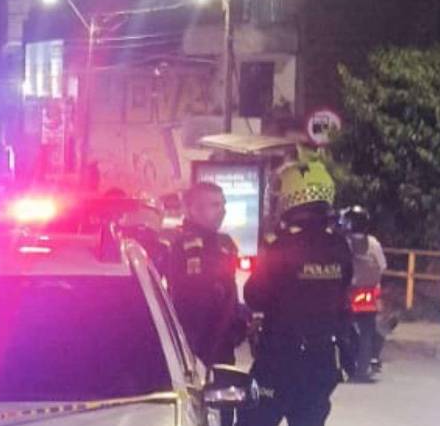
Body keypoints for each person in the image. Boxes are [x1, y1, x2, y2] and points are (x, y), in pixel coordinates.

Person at [239, 157, 353, 426]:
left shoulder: (281, 247)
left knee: (253, 419)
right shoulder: (339, 246)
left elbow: (254, 295)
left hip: (280, 359)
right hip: (322, 360)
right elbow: (343, 291)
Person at [160, 182, 244, 367]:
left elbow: (230, 290)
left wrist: (238, 321)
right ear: (194, 209)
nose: (222, 211)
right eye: (215, 205)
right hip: (191, 343)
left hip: (223, 345)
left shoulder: (225, 244)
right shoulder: (177, 243)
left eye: (223, 205)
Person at [340, 205, 386, 383]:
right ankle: (362, 370)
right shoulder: (373, 243)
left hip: (347, 293)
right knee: (367, 332)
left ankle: (348, 367)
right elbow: (382, 266)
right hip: (369, 294)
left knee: (343, 330)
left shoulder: (343, 243)